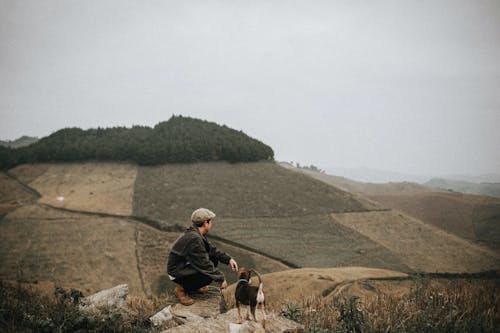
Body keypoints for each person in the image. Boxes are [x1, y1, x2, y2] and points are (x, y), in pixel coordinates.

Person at [167, 208, 238, 305]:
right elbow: (203, 264)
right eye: (210, 221)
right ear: (205, 223)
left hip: (183, 266)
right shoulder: (195, 238)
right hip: (177, 271)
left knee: (213, 260)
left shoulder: (196, 234)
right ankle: (181, 290)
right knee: (208, 276)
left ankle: (195, 286)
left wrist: (229, 259)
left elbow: (211, 250)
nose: (211, 224)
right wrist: (221, 278)